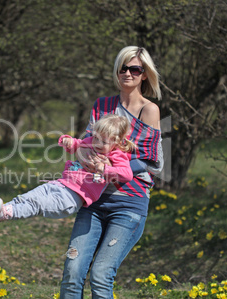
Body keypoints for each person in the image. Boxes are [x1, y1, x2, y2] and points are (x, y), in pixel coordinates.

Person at [59, 46, 164, 299]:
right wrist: (80, 152)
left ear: (144, 75)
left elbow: (152, 160)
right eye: (123, 68)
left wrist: (111, 168)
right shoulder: (102, 105)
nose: (127, 73)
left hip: (129, 204)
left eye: (135, 69)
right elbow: (85, 145)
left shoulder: (149, 110)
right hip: (93, 199)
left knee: (101, 274)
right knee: (73, 272)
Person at [0, 114, 136, 234]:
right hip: (61, 184)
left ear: (117, 141)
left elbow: (126, 175)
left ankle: (5, 214)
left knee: (36, 204)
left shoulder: (117, 156)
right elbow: (78, 144)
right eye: (95, 138)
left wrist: (104, 169)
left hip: (73, 197)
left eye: (103, 141)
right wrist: (68, 141)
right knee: (27, 197)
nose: (97, 144)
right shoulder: (91, 143)